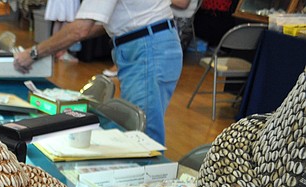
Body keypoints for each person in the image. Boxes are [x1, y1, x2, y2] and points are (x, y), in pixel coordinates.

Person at [14, 0, 188, 145]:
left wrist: (34, 53)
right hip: (146, 43)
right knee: (140, 131)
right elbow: (97, 25)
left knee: (143, 137)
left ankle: (151, 182)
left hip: (147, 46)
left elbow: (81, 28)